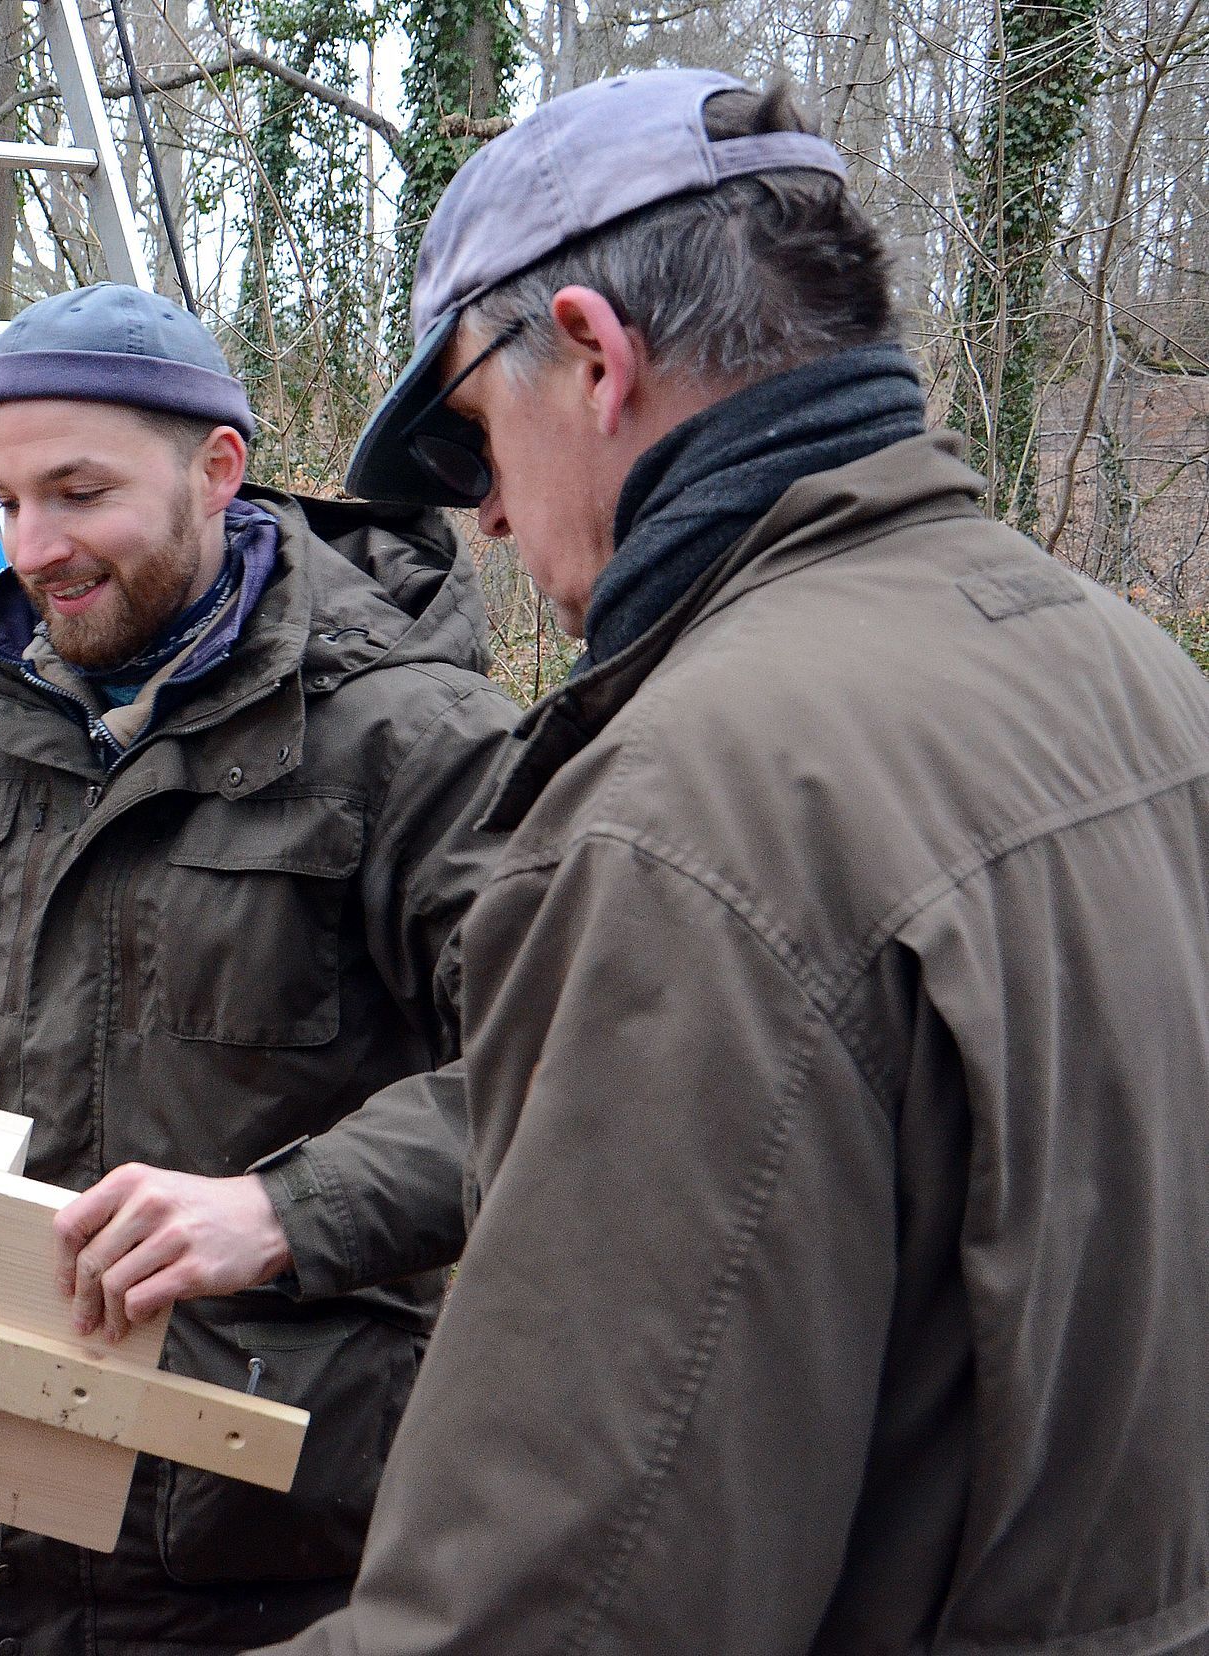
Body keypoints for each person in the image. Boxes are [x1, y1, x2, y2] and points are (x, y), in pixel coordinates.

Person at [261, 70, 1209, 1654]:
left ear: (591, 353)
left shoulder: (690, 815)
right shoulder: (1127, 669)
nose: (482, 516)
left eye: (473, 436)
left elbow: (549, 1613)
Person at [0, 283, 519, 1656]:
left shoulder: (408, 731)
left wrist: (277, 1209)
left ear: (217, 469)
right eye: (6, 498)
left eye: (78, 494)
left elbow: (546, 1070)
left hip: (262, 1534)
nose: (34, 546)